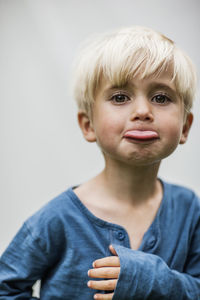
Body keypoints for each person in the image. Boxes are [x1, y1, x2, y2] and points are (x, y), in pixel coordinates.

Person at [0, 26, 199, 300]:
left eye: (161, 98)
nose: (142, 111)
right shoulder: (56, 219)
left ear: (185, 127)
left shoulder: (189, 209)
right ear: (88, 125)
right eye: (120, 97)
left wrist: (152, 279)